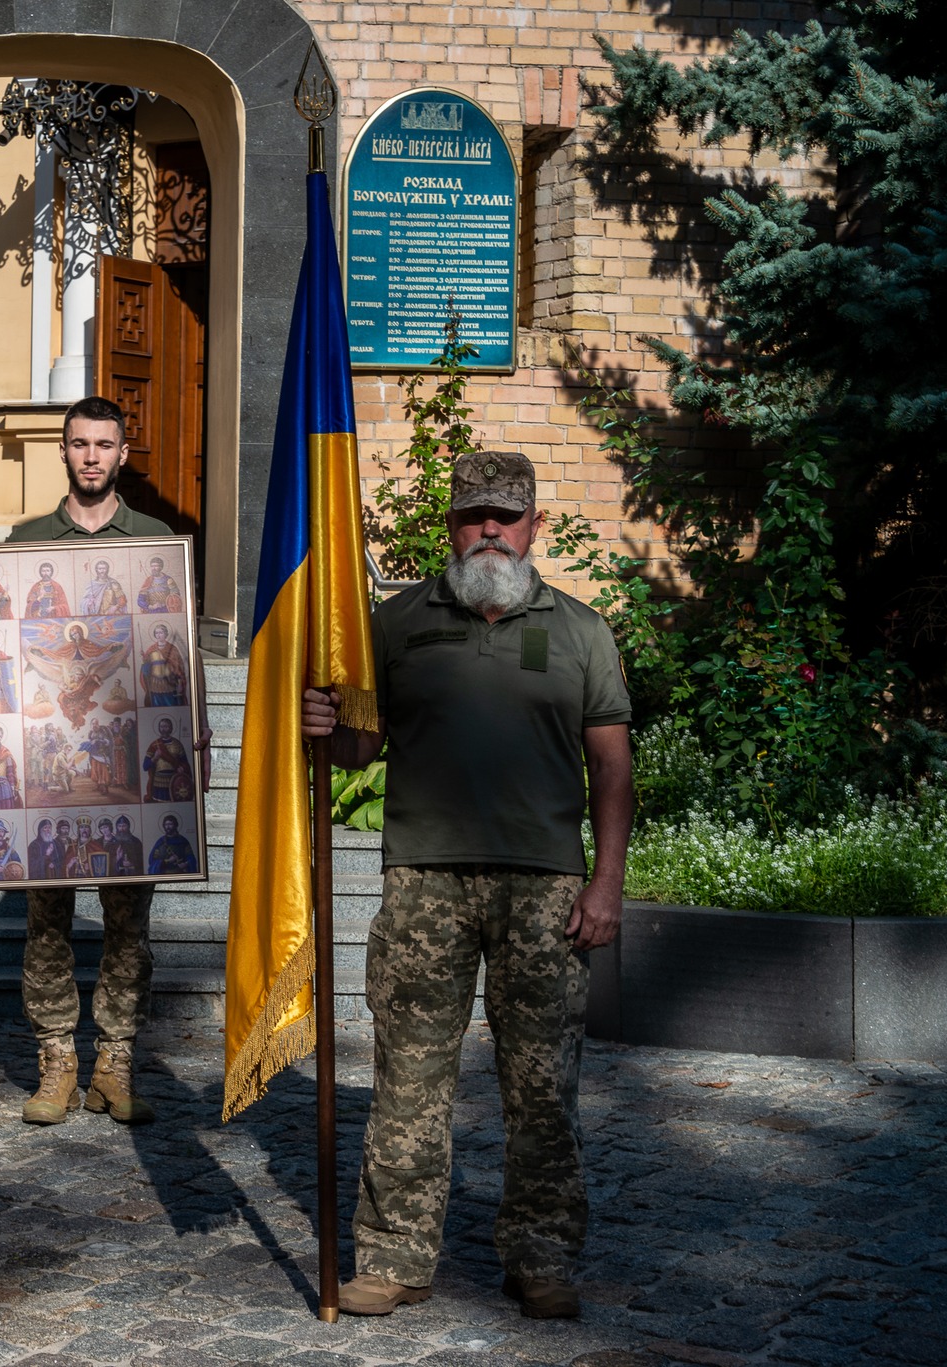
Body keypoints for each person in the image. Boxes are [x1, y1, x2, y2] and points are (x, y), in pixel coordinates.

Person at [301, 451, 634, 1321]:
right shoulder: (397, 623)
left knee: (541, 1086)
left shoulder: (581, 631)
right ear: (448, 525)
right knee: (408, 1077)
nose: (491, 529)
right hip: (425, 881)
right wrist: (325, 727)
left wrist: (606, 884)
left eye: (507, 516)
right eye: (474, 514)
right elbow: (359, 750)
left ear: (535, 528)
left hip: (546, 892)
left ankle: (542, 1254)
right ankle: (394, 1256)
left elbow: (612, 765)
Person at [0, 395, 212, 1126]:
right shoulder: (26, 541)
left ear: (124, 454)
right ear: (63, 451)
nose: (91, 456)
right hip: (44, 767)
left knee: (130, 927)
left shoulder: (155, 541)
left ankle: (116, 1061)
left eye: (104, 444)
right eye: (79, 444)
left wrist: (198, 732)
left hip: (130, 763)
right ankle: (58, 1059)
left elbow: (179, 654)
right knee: (47, 926)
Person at [142, 716, 194, 803]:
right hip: (158, 783)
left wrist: (183, 768)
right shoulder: (154, 745)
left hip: (174, 782)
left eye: (166, 726)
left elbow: (185, 763)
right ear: (159, 728)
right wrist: (154, 758)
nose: (163, 729)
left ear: (171, 728)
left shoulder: (177, 744)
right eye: (161, 726)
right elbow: (145, 766)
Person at [140, 623, 190, 707]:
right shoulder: (151, 649)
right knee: (156, 705)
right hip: (154, 684)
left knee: (170, 704)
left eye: (161, 632)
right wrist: (145, 660)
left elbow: (179, 667)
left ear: (166, 634)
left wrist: (180, 682)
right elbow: (147, 667)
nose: (158, 635)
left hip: (169, 684)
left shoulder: (172, 649)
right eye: (156, 633)